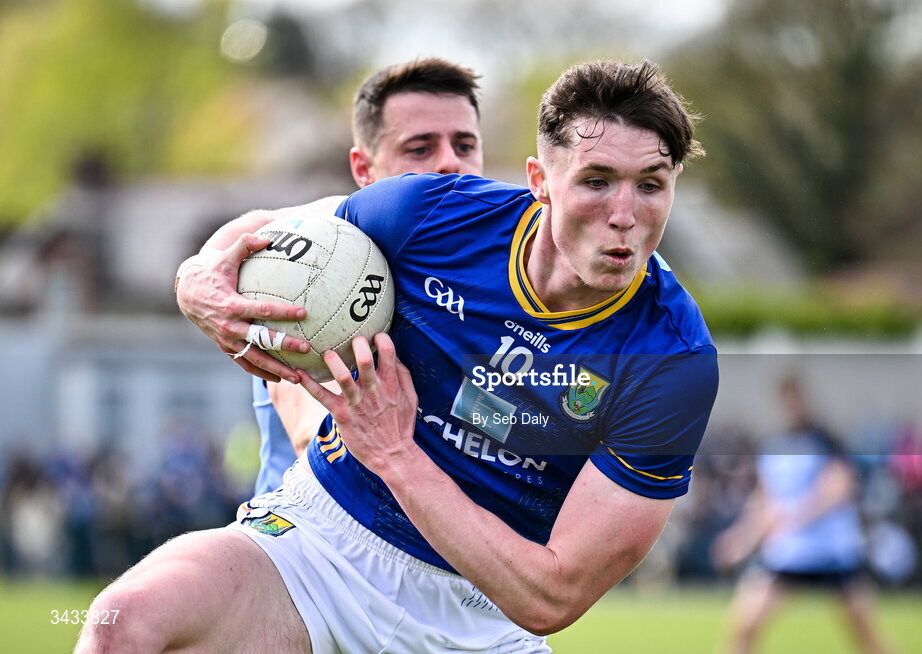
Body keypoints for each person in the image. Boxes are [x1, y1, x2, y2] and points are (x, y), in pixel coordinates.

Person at [77, 59, 718, 654]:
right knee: (122, 622)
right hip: (321, 547)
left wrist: (394, 454)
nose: (625, 215)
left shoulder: (672, 361)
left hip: (484, 618)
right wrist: (195, 282)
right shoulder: (430, 215)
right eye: (597, 182)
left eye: (651, 186)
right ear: (539, 181)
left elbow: (551, 595)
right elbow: (261, 235)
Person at [251, 58, 485, 495]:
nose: (451, 163)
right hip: (309, 547)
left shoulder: (493, 282)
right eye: (420, 148)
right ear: (363, 169)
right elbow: (314, 434)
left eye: (465, 145)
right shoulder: (309, 273)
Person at [712, 377, 893, 654]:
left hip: (832, 551)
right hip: (790, 552)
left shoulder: (826, 440)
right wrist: (742, 540)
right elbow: (764, 501)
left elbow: (840, 487)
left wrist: (794, 516)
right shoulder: (773, 444)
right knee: (743, 626)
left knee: (865, 635)